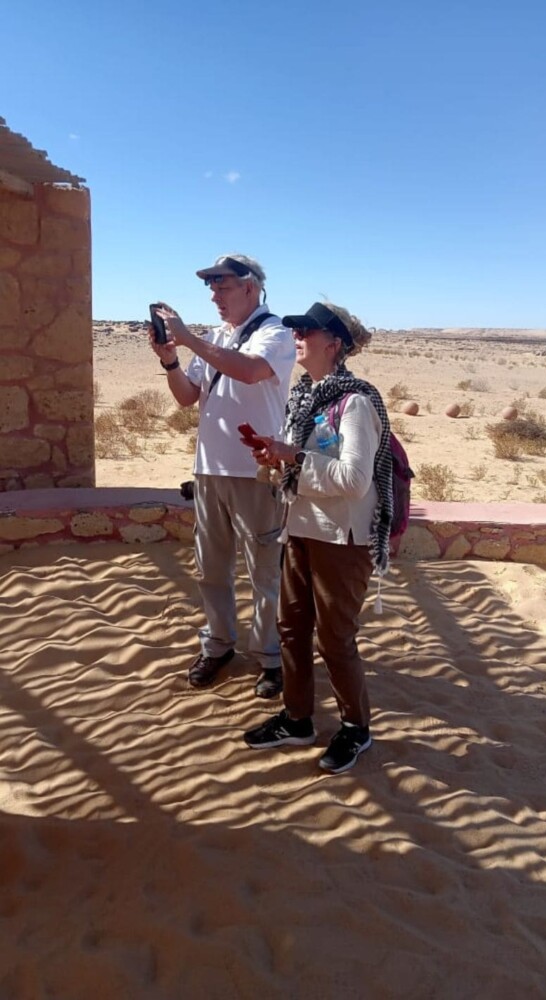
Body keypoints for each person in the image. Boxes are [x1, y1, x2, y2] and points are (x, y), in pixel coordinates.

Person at [243, 302, 394, 773]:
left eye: (307, 331)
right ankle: (297, 718)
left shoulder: (356, 403)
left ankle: (356, 728)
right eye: (296, 330)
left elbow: (355, 480)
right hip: (302, 529)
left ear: (335, 344)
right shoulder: (302, 397)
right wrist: (274, 459)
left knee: (335, 638)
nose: (298, 337)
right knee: (290, 629)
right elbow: (295, 464)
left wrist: (294, 458)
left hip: (342, 538)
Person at [149, 254, 295, 698]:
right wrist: (171, 361)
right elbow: (187, 398)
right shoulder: (216, 338)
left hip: (258, 473)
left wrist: (190, 339)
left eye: (223, 286)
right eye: (211, 287)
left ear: (250, 286)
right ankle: (218, 645)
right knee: (211, 568)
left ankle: (271, 658)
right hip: (210, 469)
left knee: (265, 570)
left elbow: (250, 372)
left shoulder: (276, 333)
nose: (214, 295)